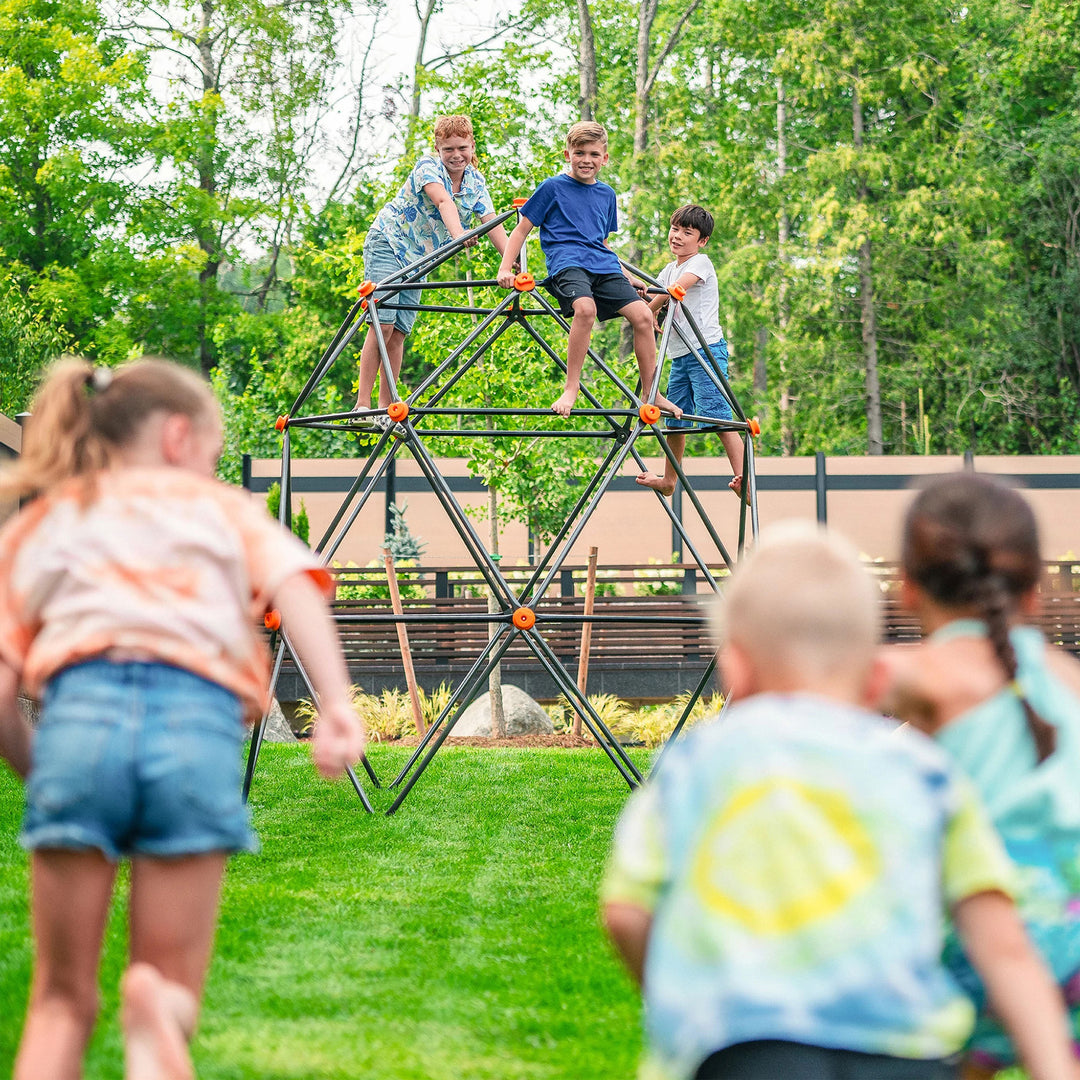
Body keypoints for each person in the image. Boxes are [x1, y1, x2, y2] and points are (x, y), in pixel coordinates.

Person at [0, 357, 366, 1080]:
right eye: (214, 450)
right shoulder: (223, 510)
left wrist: (38, 766)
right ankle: (158, 1010)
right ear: (177, 437)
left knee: (60, 1002)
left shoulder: (52, 518)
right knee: (170, 981)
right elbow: (296, 584)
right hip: (195, 731)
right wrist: (338, 705)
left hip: (78, 723)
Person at [601, 521, 1075, 1080]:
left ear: (736, 666)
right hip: (906, 1052)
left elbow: (626, 913)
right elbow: (1003, 946)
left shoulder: (693, 764)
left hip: (745, 1050)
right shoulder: (924, 772)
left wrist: (685, 998)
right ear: (877, 675)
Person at [881, 471, 1080, 1077]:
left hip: (977, 932)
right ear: (1036, 589)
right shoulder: (1068, 679)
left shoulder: (923, 674)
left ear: (906, 589)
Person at [496, 120, 681, 419]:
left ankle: (652, 392)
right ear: (567, 154)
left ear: (605, 158)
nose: (586, 160)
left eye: (594, 154)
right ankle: (572, 387)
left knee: (644, 315)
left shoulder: (607, 194)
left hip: (603, 265)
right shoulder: (552, 187)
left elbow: (603, 243)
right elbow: (521, 230)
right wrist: (505, 269)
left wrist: (627, 276)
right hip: (567, 263)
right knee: (585, 309)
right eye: (580, 153)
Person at [355, 114, 509, 415]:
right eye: (448, 149)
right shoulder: (427, 167)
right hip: (390, 242)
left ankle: (386, 408)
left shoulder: (475, 181)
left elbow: (490, 221)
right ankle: (363, 403)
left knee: (399, 331)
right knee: (383, 323)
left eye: (462, 148)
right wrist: (459, 234)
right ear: (437, 148)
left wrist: (511, 260)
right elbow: (442, 202)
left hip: (419, 261)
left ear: (472, 146)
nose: (456, 155)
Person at [635, 204, 743, 498]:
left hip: (705, 350)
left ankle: (744, 479)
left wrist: (647, 312)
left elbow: (674, 291)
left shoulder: (701, 263)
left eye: (687, 232)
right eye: (674, 229)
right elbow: (658, 290)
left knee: (717, 417)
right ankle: (670, 480)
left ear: (702, 240)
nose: (678, 237)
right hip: (680, 355)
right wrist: (650, 309)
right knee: (674, 420)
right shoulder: (669, 268)